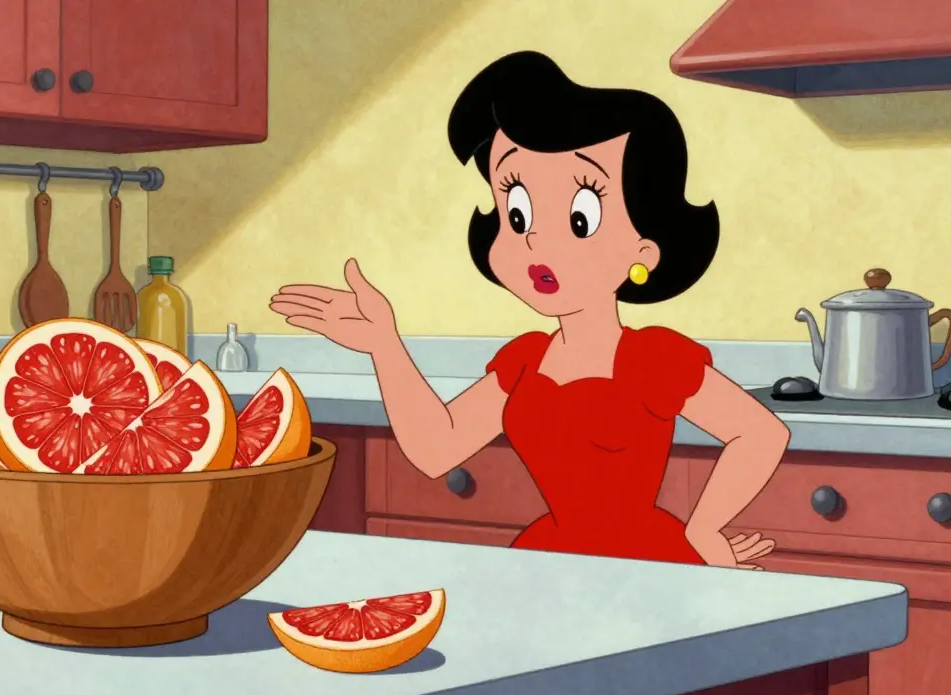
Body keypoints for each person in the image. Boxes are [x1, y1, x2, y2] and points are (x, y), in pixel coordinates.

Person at [269, 51, 790, 568]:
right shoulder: (524, 362)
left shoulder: (653, 358)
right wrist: (385, 344)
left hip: (644, 564)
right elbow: (436, 449)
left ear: (644, 252)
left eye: (581, 215)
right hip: (546, 560)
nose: (536, 236)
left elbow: (762, 433)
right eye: (517, 209)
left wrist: (703, 530)